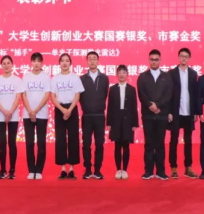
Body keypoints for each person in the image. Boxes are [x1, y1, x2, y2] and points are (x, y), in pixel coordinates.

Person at [137, 49, 173, 180]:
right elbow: (141, 94)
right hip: (148, 115)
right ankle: (148, 171)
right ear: (148, 60)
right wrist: (150, 105)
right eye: (152, 59)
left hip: (162, 115)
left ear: (160, 60)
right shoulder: (143, 76)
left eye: (156, 59)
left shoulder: (166, 76)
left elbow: (169, 94)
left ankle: (160, 171)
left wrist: (158, 105)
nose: (154, 62)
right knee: (149, 143)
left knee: (160, 144)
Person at [51, 53, 84, 179]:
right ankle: (63, 169)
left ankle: (71, 169)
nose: (64, 63)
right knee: (60, 139)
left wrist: (69, 110)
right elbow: (53, 97)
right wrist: (62, 109)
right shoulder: (55, 79)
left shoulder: (75, 78)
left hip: (72, 108)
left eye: (67, 61)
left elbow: (77, 95)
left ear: (70, 63)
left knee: (73, 138)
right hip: (59, 109)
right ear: (59, 64)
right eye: (62, 61)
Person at [0, 55, 25, 180]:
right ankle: (2, 170)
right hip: (0, 115)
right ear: (1, 65)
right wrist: (4, 111)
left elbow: (18, 98)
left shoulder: (17, 80)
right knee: (2, 143)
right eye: (4, 63)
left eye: (8, 63)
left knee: (11, 142)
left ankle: (12, 170)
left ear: (12, 65)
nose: (6, 65)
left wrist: (10, 112)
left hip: (13, 115)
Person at [168, 47, 199, 179]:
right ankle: (173, 167)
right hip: (175, 112)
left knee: (188, 141)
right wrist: (169, 111)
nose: (184, 58)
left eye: (186, 56)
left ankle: (188, 167)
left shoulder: (193, 74)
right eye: (182, 56)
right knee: (173, 140)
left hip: (189, 112)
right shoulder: (171, 73)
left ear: (189, 58)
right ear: (178, 57)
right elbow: (168, 94)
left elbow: (195, 94)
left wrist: (196, 112)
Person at [79, 51, 110, 179]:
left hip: (99, 116)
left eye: (94, 59)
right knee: (86, 144)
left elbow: (105, 94)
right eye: (90, 59)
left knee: (99, 144)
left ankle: (97, 170)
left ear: (98, 61)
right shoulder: (81, 79)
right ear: (87, 61)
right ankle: (87, 169)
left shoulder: (104, 78)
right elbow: (80, 97)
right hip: (86, 116)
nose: (92, 61)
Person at [22, 52, 51, 180]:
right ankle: (31, 170)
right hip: (27, 114)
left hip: (42, 114)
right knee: (29, 143)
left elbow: (47, 95)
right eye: (34, 61)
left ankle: (39, 170)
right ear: (31, 62)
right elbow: (23, 95)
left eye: (39, 61)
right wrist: (30, 111)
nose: (36, 63)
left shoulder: (46, 77)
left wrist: (36, 110)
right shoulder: (26, 77)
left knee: (41, 143)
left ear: (42, 63)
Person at [107, 65, 139, 179]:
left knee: (126, 145)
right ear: (117, 74)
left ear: (127, 74)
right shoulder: (112, 89)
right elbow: (109, 107)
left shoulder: (131, 89)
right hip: (116, 120)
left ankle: (124, 169)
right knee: (117, 145)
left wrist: (135, 123)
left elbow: (134, 107)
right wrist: (109, 123)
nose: (121, 75)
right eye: (119, 72)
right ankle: (118, 170)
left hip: (128, 120)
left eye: (124, 72)